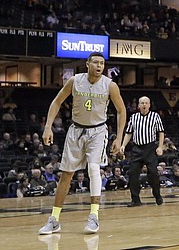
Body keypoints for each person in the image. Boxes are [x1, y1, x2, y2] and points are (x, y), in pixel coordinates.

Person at [39, 52, 127, 235]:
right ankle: (54, 219)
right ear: (87, 64)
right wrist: (48, 127)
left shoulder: (110, 85)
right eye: (95, 62)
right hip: (76, 130)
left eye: (102, 63)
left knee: (94, 169)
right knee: (66, 175)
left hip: (98, 131)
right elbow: (56, 102)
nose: (99, 66)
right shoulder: (74, 81)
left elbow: (121, 110)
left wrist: (119, 138)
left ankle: (94, 216)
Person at [120, 96, 165, 206]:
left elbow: (161, 132)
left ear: (149, 105)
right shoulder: (134, 117)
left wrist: (160, 146)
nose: (144, 105)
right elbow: (129, 132)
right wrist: (123, 145)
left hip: (150, 148)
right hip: (137, 149)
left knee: (153, 173)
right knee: (133, 174)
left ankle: (157, 195)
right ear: (138, 105)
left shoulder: (155, 116)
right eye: (142, 103)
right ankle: (135, 199)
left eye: (146, 103)